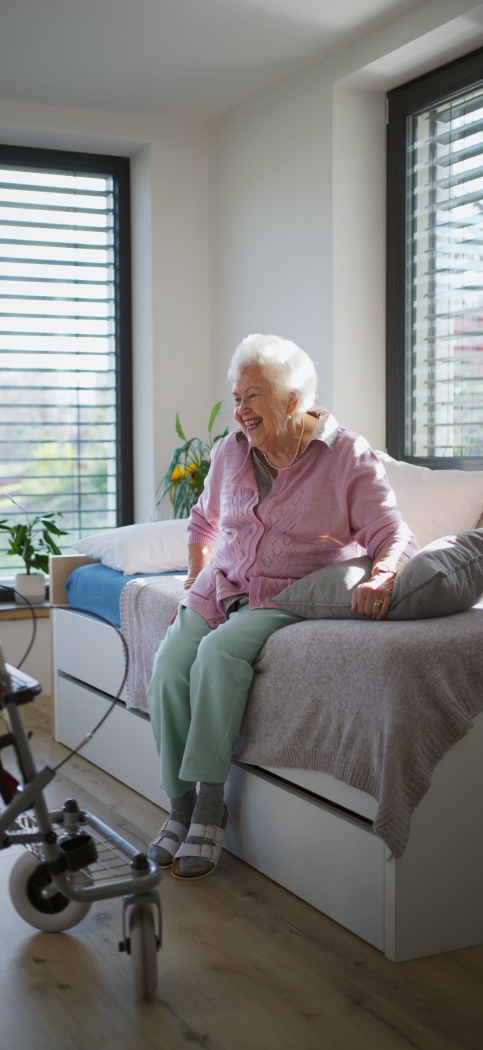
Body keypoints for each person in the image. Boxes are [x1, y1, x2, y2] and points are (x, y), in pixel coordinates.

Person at [146, 333, 418, 881]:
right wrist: (195, 581)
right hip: (222, 583)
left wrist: (384, 576)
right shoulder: (230, 451)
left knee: (219, 655)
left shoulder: (346, 455)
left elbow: (392, 535)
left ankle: (208, 805)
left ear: (293, 400)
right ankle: (178, 803)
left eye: (253, 397)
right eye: (237, 397)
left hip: (288, 591)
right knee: (171, 663)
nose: (240, 410)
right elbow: (204, 522)